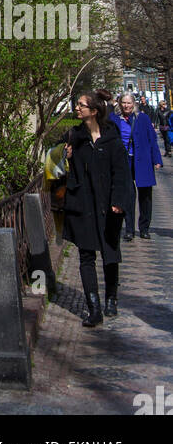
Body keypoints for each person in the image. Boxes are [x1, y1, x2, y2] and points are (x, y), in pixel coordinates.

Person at [63, 91, 131, 326]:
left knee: (110, 253)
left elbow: (121, 173)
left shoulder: (111, 138)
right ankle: (94, 309)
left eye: (81, 105)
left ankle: (111, 297)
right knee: (86, 255)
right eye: (77, 105)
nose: (77, 108)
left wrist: (119, 202)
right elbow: (59, 165)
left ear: (93, 111)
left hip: (109, 205)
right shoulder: (75, 136)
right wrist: (67, 157)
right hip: (84, 205)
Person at [110, 91, 163, 239]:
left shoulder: (143, 118)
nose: (126, 105)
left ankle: (144, 228)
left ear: (134, 104)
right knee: (128, 195)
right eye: (124, 102)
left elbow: (152, 139)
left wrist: (157, 159)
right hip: (123, 161)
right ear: (120, 103)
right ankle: (129, 229)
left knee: (145, 195)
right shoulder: (114, 119)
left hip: (143, 160)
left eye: (129, 103)